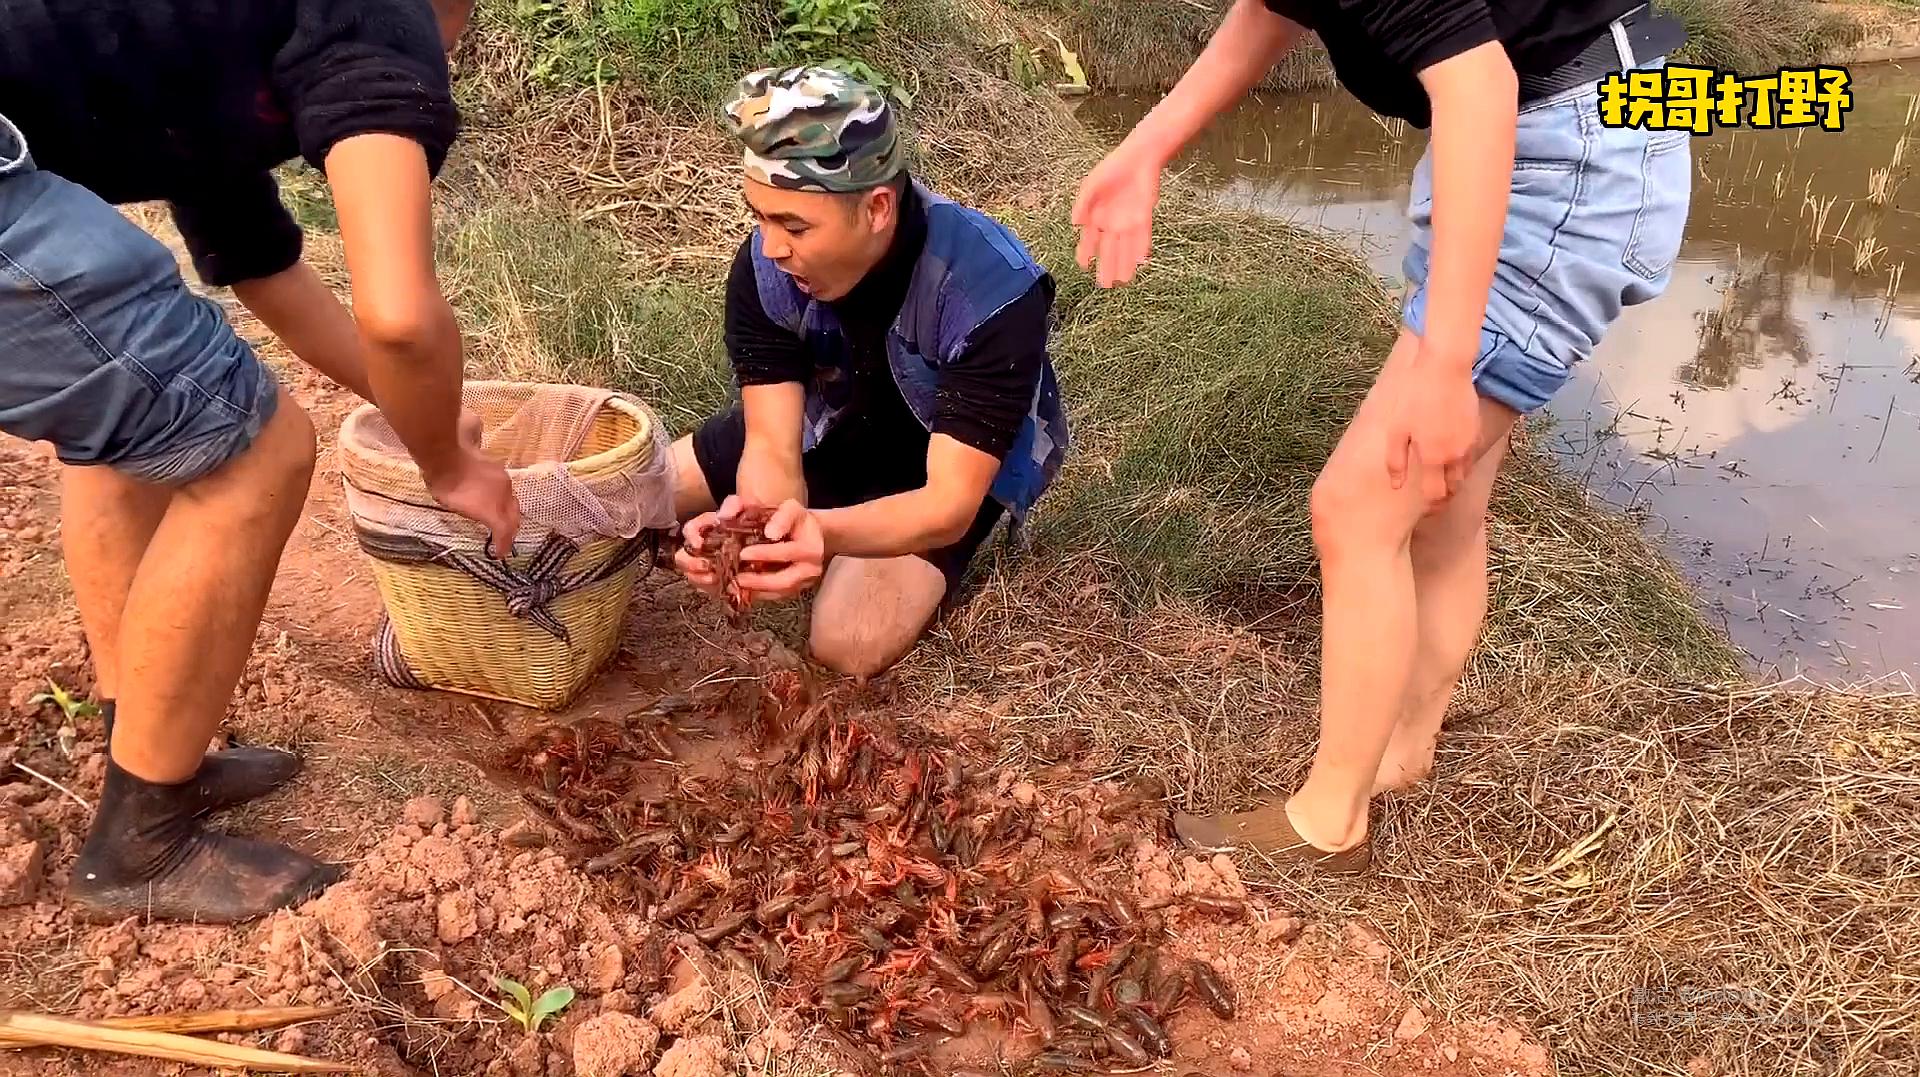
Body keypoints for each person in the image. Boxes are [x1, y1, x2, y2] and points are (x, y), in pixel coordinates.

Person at [1072, 0, 1690, 871]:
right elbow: (1273, 7)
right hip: (1547, 127)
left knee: (1361, 505)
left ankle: (1329, 823)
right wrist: (1145, 151)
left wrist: (1446, 369)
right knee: (1443, 502)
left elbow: (1478, 86)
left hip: (1560, 152)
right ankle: (1403, 752)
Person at [0, 0, 519, 921]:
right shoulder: (379, 11)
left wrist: (419, 413)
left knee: (139, 424)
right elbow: (398, 314)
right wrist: (445, 462)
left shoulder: (214, 40)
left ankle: (153, 745)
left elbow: (258, 260)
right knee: (257, 449)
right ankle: (142, 848)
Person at [671, 65, 1070, 678]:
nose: (771, 246)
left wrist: (821, 535)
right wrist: (750, 535)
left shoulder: (992, 293)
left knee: (847, 642)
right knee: (643, 488)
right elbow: (774, 447)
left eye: (794, 225)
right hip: (831, 420)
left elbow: (946, 504)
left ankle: (865, 537)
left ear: (878, 207)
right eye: (760, 216)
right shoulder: (765, 266)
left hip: (938, 466)